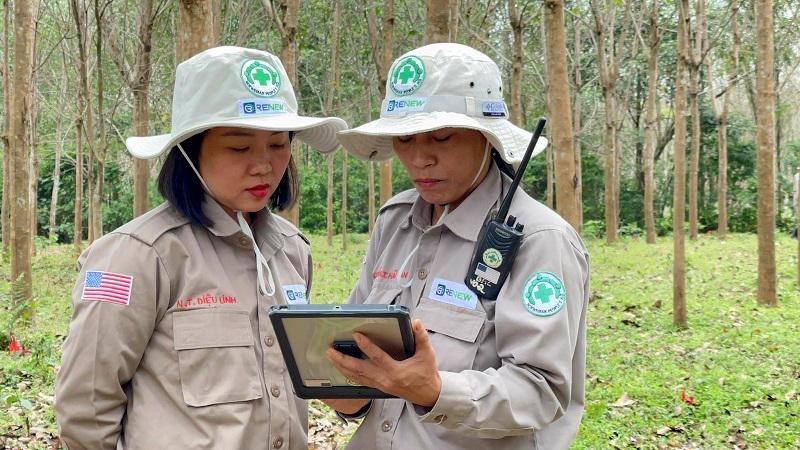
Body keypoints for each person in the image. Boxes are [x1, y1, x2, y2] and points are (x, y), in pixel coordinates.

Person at [54, 46, 346, 450]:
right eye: (239, 147)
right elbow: (86, 407)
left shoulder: (291, 249)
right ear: (189, 152)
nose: (263, 165)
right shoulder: (138, 255)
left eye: (278, 145)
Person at [325, 43, 590, 449]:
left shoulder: (540, 240)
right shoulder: (395, 222)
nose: (419, 158)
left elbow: (544, 390)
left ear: (488, 138)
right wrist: (346, 384)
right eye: (405, 138)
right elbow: (362, 345)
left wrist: (435, 391)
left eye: (442, 137)